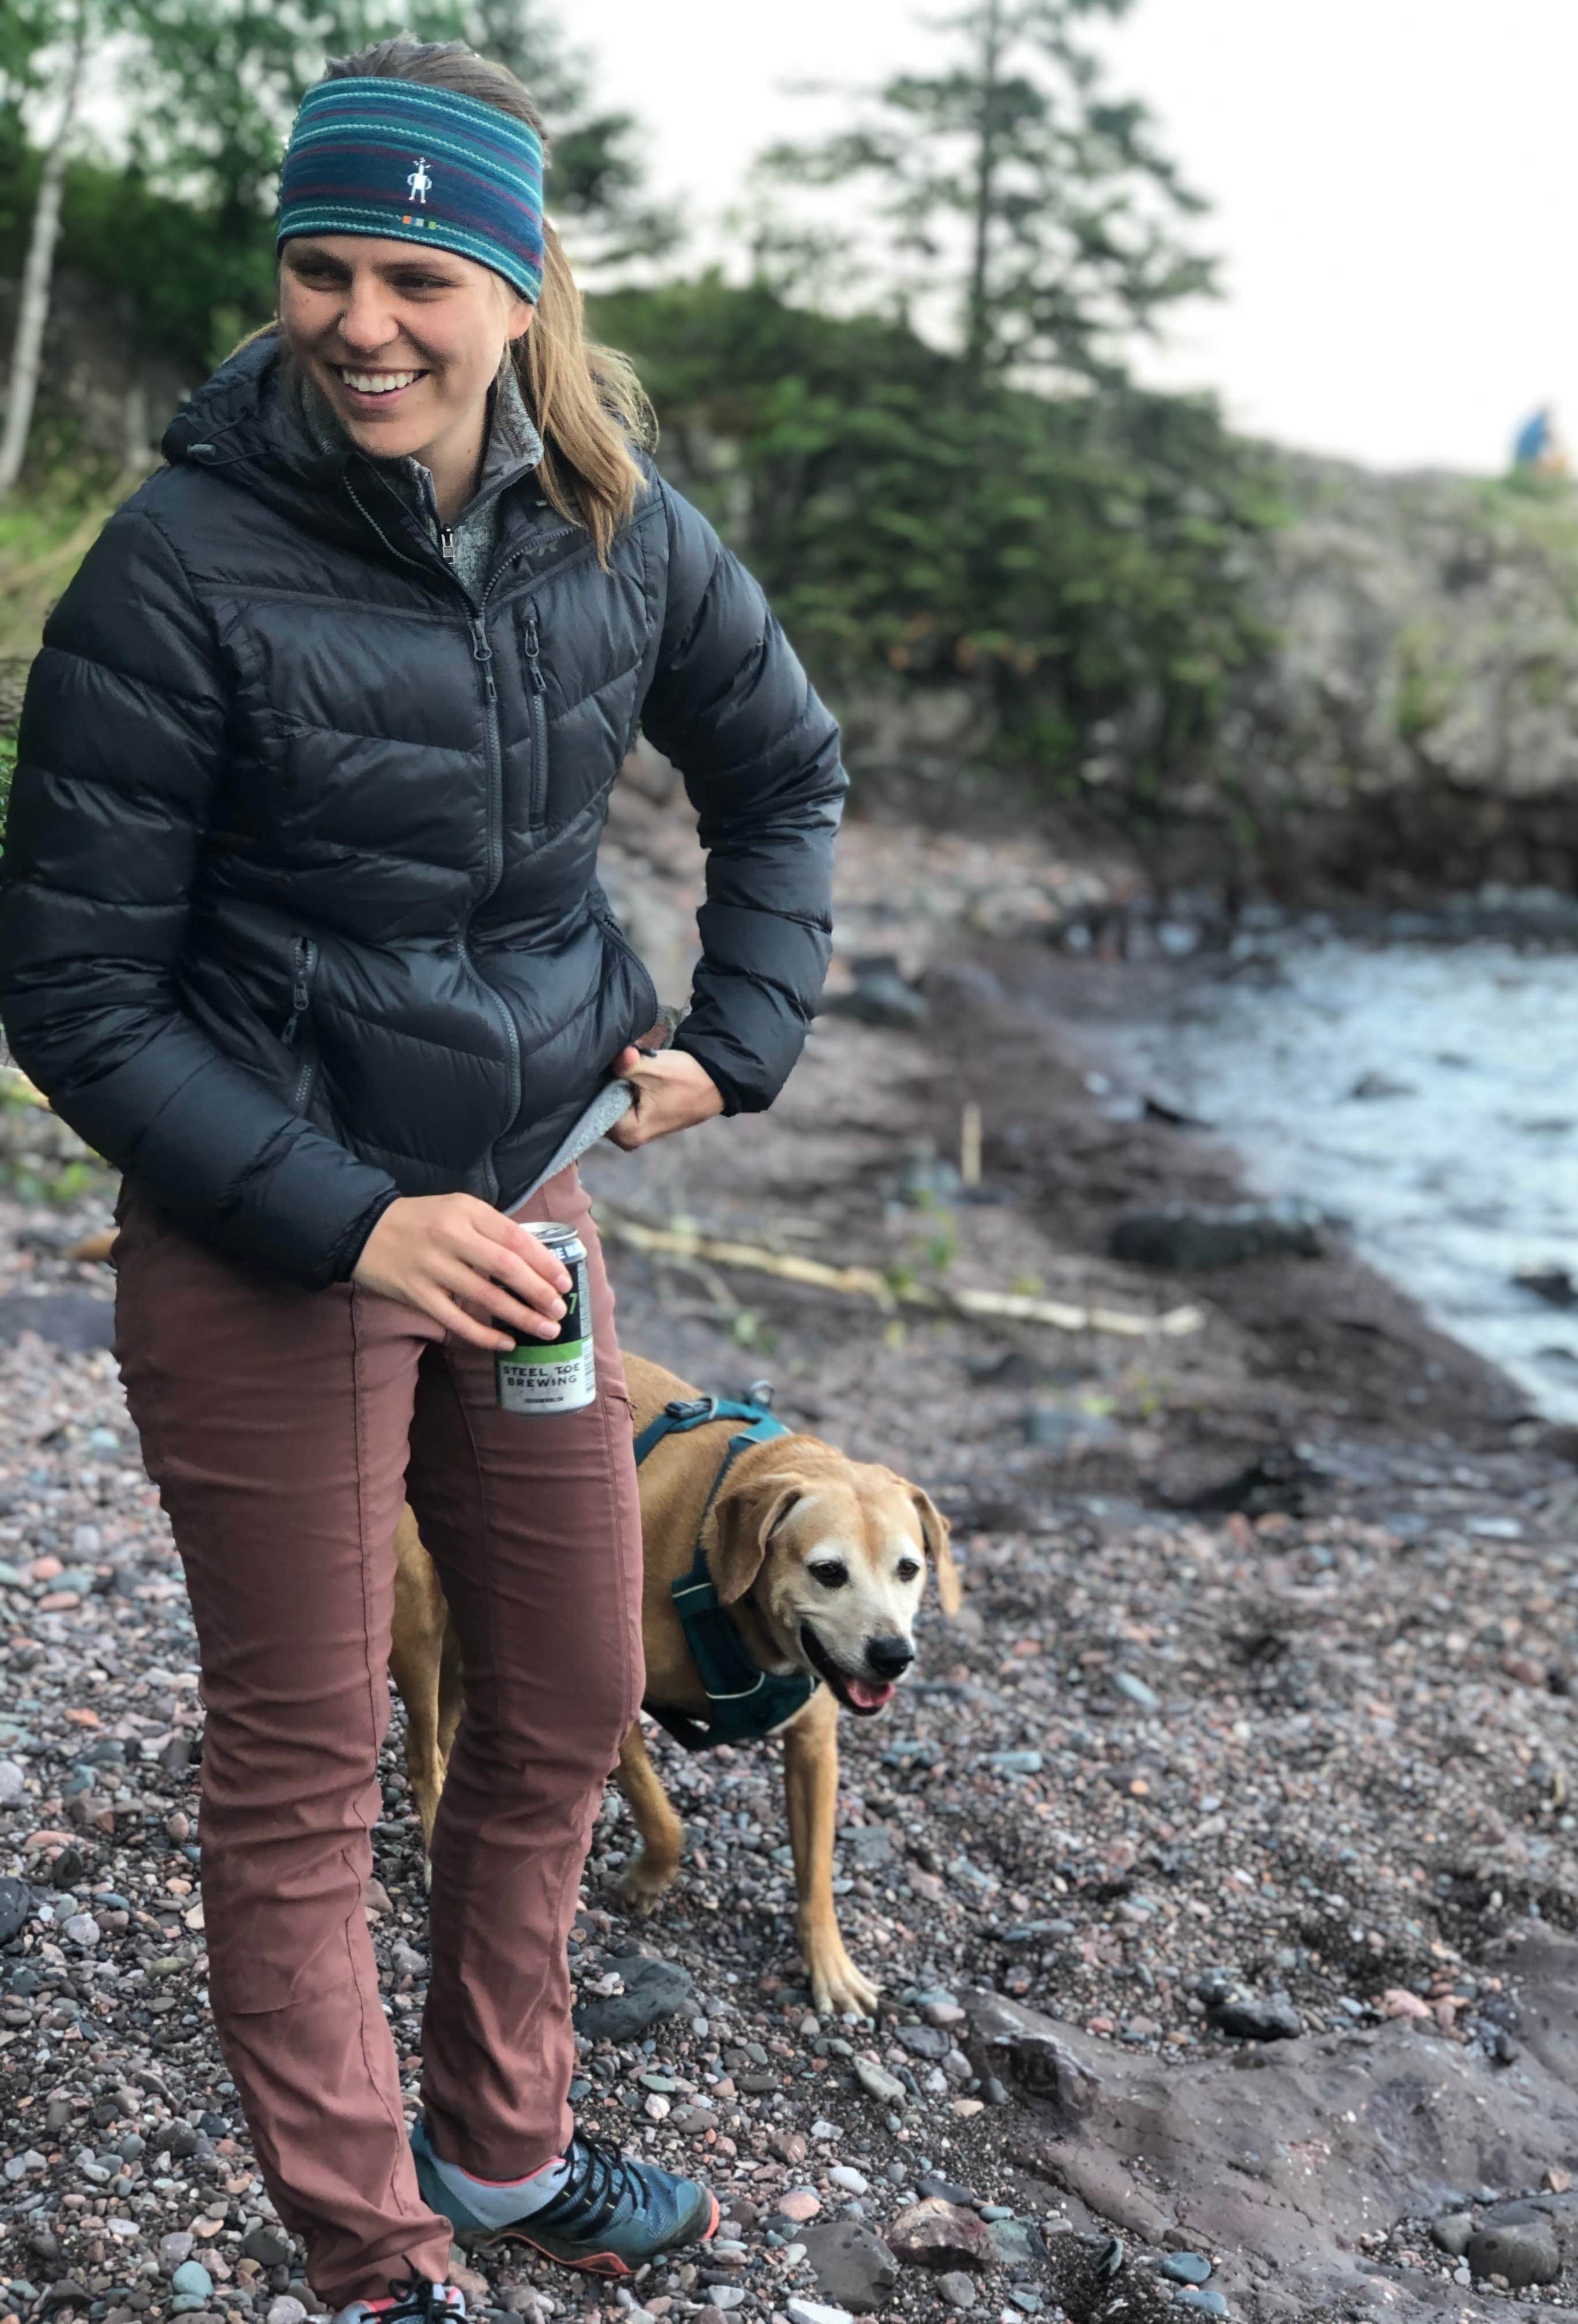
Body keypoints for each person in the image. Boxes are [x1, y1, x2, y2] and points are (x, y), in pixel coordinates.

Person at [0, 38, 844, 2324]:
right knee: (306, 1759)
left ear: (518, 285)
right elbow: (75, 996)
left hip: (526, 1218)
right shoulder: (178, 565)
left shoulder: (619, 526)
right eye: (320, 268)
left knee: (565, 1693)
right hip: (271, 1243)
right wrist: (355, 1221)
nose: (361, 322)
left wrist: (737, 1036)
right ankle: (372, 2257)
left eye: (417, 276)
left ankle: (502, 2145)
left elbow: (784, 772)